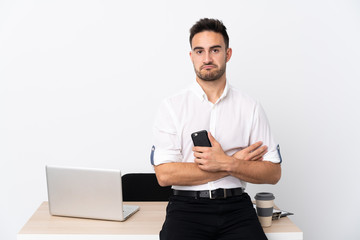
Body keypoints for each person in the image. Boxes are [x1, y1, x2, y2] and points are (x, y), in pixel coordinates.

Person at [150, 18, 282, 240]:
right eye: (199, 51)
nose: (207, 58)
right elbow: (165, 175)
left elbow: (273, 172)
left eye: (215, 50)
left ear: (228, 54)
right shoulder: (171, 106)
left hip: (237, 208)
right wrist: (231, 164)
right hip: (186, 209)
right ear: (191, 57)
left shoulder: (250, 107)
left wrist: (228, 162)